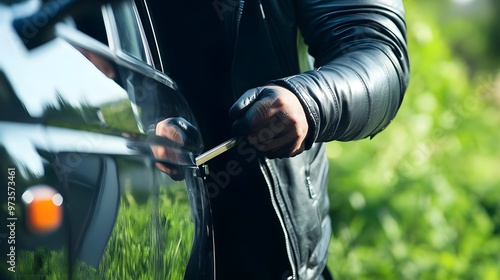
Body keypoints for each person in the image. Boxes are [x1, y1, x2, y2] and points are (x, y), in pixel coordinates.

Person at [148, 0, 410, 279]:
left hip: (277, 255)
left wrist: (309, 101)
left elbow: (378, 52)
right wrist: (136, 124)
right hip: (147, 233)